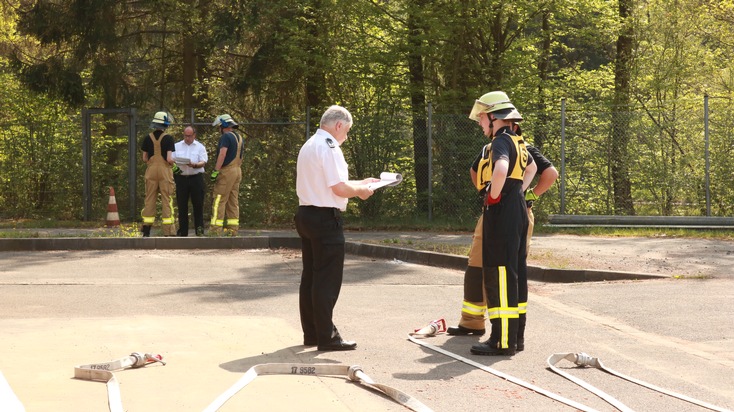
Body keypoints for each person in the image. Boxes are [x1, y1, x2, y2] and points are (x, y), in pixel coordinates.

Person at [447, 123, 558, 355]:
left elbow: (549, 173)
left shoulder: (511, 146)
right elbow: (475, 169)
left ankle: (502, 336)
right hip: (501, 211)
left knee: (503, 271)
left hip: (509, 213)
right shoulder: (496, 147)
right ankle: (476, 322)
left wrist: (521, 195)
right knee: (486, 268)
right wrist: (489, 192)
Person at [294, 105, 378, 351]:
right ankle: (327, 337)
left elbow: (331, 183)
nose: (346, 137)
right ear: (339, 125)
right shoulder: (330, 147)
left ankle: (312, 333)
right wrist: (361, 191)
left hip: (306, 214)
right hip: (325, 220)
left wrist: (361, 183)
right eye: (347, 131)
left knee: (310, 277)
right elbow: (339, 189)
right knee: (327, 280)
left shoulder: (310, 144)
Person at [466, 91, 536, 356]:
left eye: (482, 119)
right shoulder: (518, 141)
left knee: (500, 275)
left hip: (502, 210)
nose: (481, 124)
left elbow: (500, 169)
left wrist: (494, 195)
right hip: (516, 207)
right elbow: (530, 169)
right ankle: (515, 338)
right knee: (516, 273)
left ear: (494, 117)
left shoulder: (500, 142)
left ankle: (500, 341)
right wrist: (517, 190)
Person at [140, 111, 177, 237]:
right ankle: (168, 231)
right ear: (166, 124)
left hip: (151, 171)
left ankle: (146, 229)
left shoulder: (147, 138)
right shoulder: (168, 138)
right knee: (167, 199)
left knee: (150, 199)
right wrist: (175, 165)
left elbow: (144, 158)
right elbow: (169, 158)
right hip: (164, 171)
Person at [210, 114, 244, 235]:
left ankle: (215, 230)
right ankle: (232, 230)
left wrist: (216, 170)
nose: (219, 129)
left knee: (219, 199)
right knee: (233, 201)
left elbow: (222, 154)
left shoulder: (226, 137)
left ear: (223, 126)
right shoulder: (239, 137)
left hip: (227, 171)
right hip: (237, 170)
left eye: (219, 127)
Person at [173, 125, 208, 236]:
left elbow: (203, 161)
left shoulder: (200, 147)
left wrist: (195, 165)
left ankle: (199, 231)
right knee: (182, 205)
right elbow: (171, 160)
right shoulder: (177, 146)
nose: (187, 138)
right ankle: (183, 232)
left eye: (189, 136)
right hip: (181, 178)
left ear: (194, 135)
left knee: (198, 205)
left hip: (195, 178)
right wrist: (175, 167)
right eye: (185, 135)